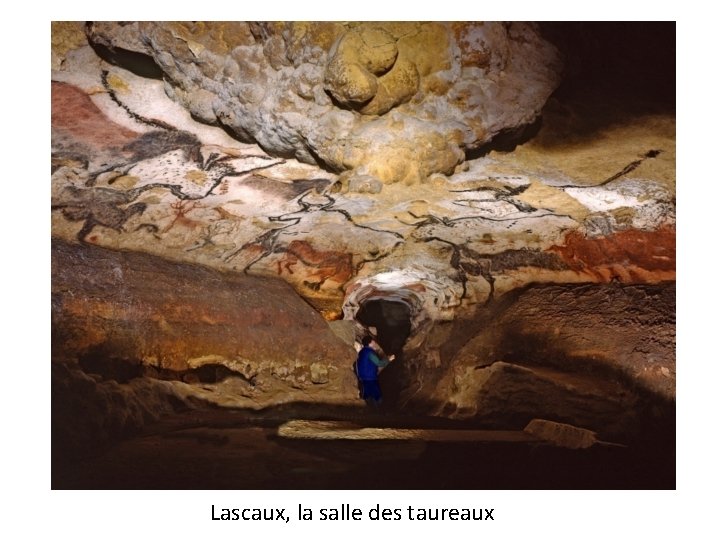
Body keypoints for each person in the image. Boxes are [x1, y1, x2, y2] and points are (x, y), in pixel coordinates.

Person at [354, 336, 395, 407]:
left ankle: (367, 410)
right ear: (370, 343)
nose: (375, 342)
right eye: (373, 341)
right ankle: (378, 412)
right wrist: (389, 359)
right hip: (370, 378)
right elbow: (379, 363)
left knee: (366, 395)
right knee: (377, 395)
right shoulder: (369, 352)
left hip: (363, 377)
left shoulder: (362, 351)